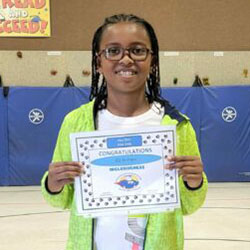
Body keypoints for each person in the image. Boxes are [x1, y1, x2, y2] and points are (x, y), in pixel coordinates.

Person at [41, 13, 207, 250]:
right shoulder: (75, 123)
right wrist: (53, 184)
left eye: (138, 50)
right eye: (113, 51)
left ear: (153, 61)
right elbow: (61, 199)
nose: (126, 59)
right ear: (98, 62)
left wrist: (195, 182)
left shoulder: (177, 126)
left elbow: (191, 204)